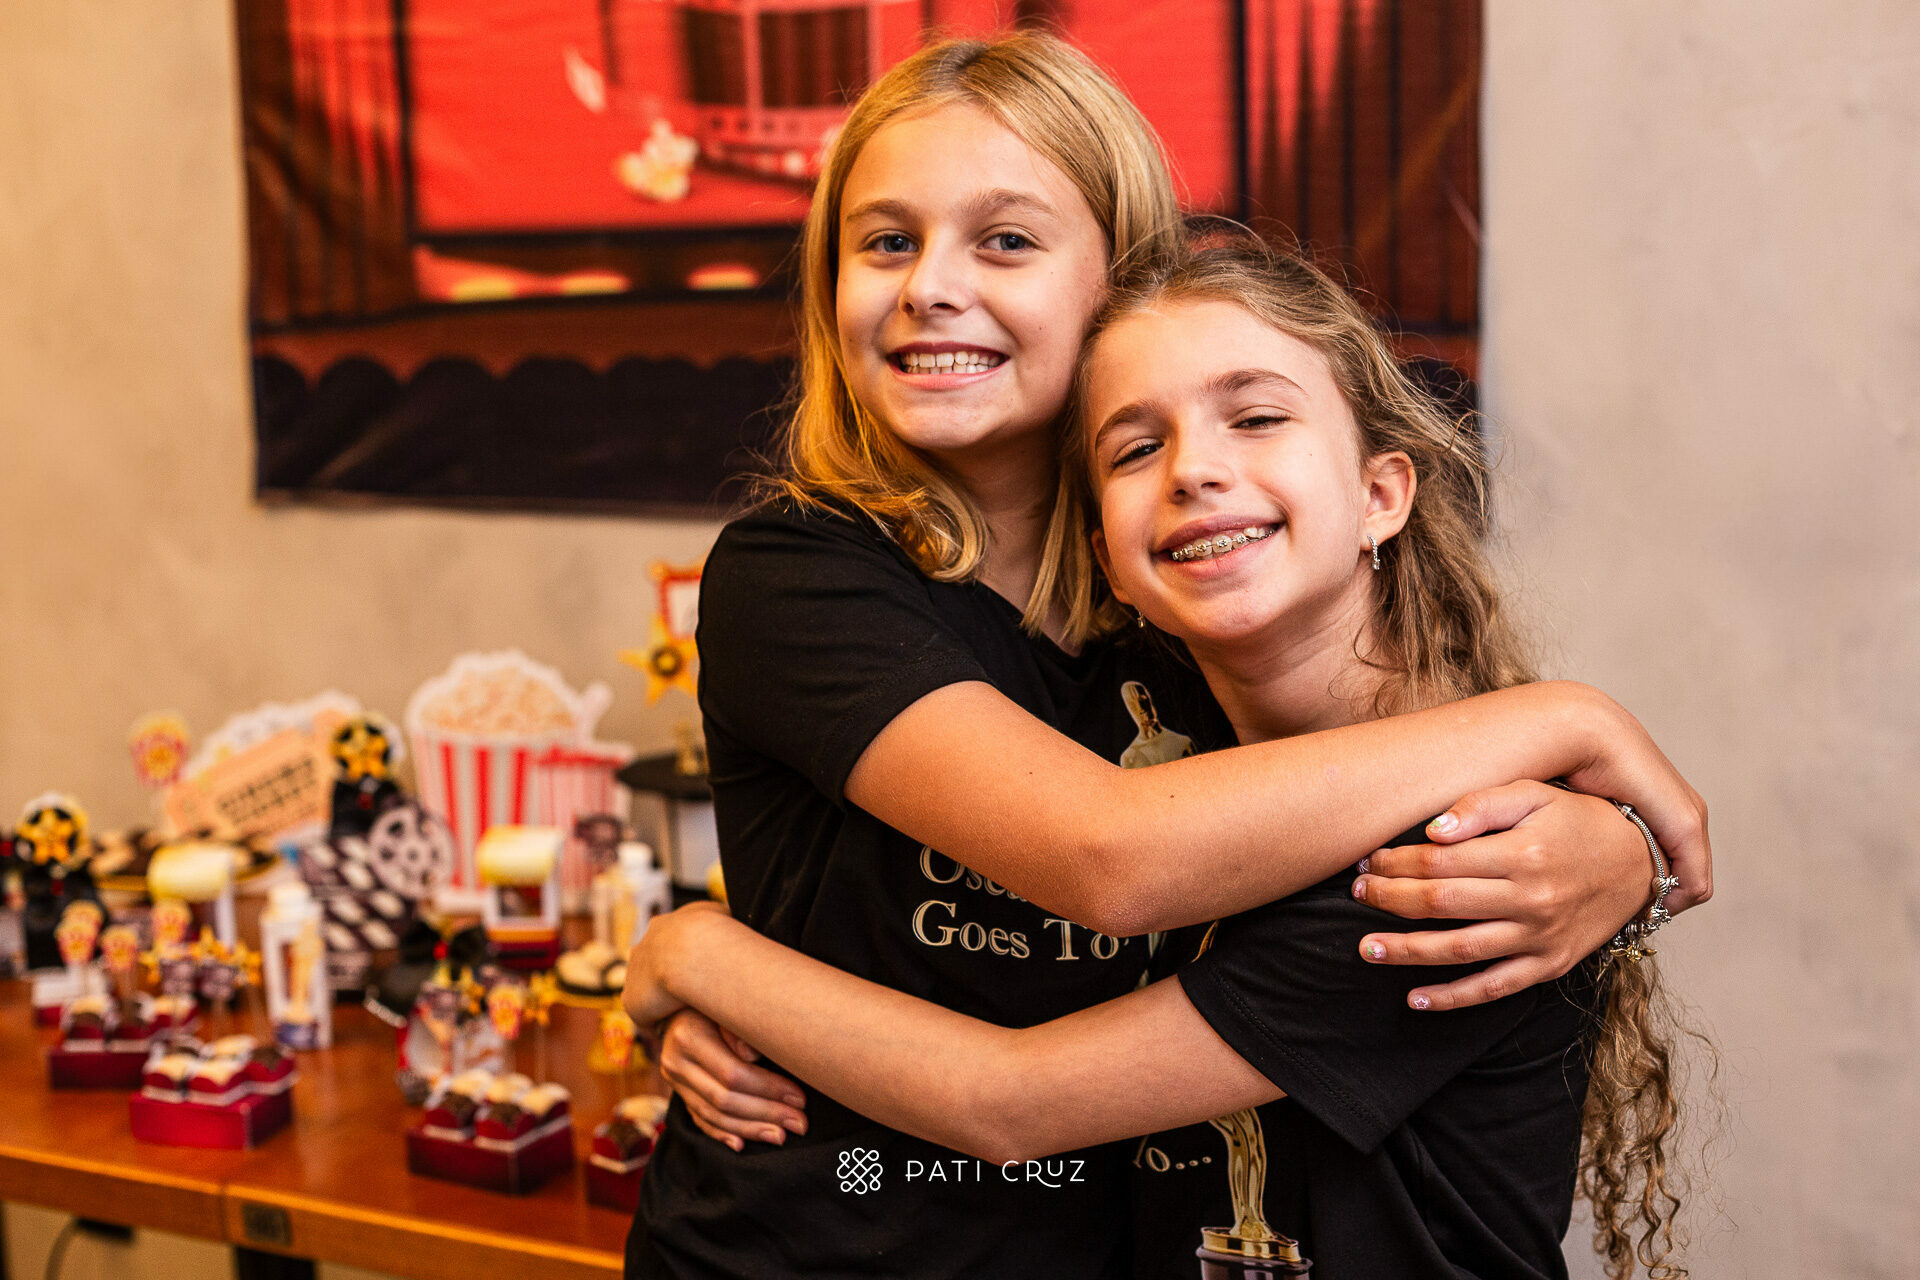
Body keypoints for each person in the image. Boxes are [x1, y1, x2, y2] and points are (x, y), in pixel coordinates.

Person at [628, 33, 1711, 1280]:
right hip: (810, 1239)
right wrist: (1568, 721)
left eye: (1005, 239)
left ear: (1121, 285)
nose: (930, 284)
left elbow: (1260, 830)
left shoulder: (1189, 608)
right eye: (884, 242)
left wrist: (1613, 852)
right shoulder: (802, 572)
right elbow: (1108, 854)